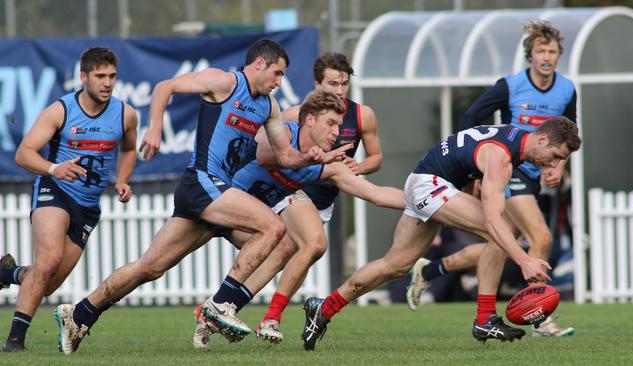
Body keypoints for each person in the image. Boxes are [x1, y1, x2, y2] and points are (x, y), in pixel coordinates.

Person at [53, 39, 350, 355]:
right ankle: (222, 304)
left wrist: (311, 157)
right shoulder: (224, 82)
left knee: (150, 267)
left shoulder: (269, 106)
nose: (279, 82)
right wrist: (154, 129)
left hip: (218, 196)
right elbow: (165, 87)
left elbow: (286, 156)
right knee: (273, 228)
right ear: (259, 64)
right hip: (203, 183)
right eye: (277, 73)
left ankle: (81, 313)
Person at [300, 117, 582, 351]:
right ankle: (485, 318)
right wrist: (524, 260)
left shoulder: (514, 138)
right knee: (500, 231)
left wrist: (468, 190)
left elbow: (470, 158)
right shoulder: (502, 157)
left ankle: (323, 308)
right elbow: (493, 220)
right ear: (543, 140)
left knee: (395, 265)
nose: (555, 164)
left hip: (426, 181)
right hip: (430, 185)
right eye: (556, 156)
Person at [407, 19, 577, 337]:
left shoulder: (567, 89)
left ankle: (430, 270)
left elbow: (569, 135)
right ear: (530, 54)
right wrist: (473, 168)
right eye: (541, 50)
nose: (547, 57)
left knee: (498, 243)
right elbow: (470, 118)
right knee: (540, 239)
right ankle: (539, 317)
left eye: (552, 51)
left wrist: (557, 166)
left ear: (559, 55)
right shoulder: (510, 85)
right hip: (508, 174)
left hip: (533, 177)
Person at [192, 89, 396, 348]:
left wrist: (424, 201)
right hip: (224, 201)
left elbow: (376, 194)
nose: (337, 132)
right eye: (331, 124)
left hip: (265, 206)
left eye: (344, 83)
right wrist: (301, 159)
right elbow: (265, 154)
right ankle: (237, 311)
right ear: (310, 116)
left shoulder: (333, 153)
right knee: (151, 267)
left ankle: (223, 309)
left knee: (285, 244)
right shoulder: (287, 125)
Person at [0, 47, 138, 352]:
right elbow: (24, 153)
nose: (107, 83)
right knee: (47, 262)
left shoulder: (125, 114)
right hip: (55, 191)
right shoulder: (60, 111)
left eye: (112, 76)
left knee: (46, 283)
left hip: (88, 207)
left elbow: (129, 149)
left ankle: (8, 273)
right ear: (83, 77)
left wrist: (123, 179)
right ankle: (14, 342)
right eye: (100, 76)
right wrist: (54, 168)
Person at [248, 52, 383, 344]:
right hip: (294, 190)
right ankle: (270, 317)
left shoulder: (362, 115)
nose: (339, 90)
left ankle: (223, 305)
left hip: (326, 197)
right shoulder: (296, 113)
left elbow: (376, 158)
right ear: (317, 83)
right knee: (314, 244)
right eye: (332, 83)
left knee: (283, 254)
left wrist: (359, 167)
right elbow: (264, 145)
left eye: (344, 83)